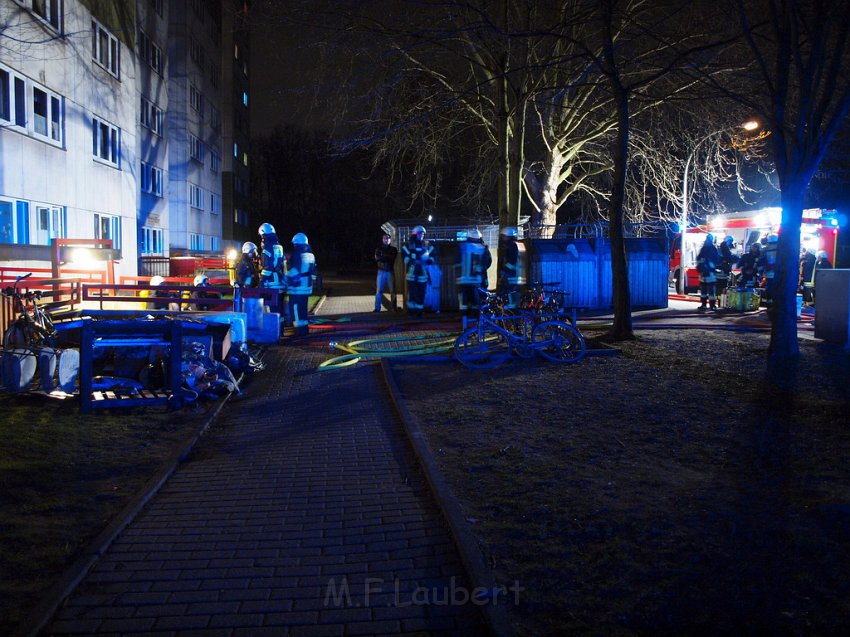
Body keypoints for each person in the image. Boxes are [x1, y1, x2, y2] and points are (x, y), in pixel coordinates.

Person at [285, 232, 317, 336]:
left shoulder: (297, 253)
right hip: (307, 287)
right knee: (303, 308)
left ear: (296, 243)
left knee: (296, 309)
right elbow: (314, 272)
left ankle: (299, 331)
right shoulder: (311, 254)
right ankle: (304, 329)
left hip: (297, 288)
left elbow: (295, 270)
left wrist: (285, 279)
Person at [456, 228, 492, 314]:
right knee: (476, 301)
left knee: (464, 302)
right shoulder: (482, 248)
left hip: (463, 280)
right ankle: (476, 320)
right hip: (476, 280)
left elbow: (457, 262)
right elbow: (487, 263)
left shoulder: (462, 247)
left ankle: (464, 320)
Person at [401, 225, 433, 318]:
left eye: (423, 233)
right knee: (412, 293)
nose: (422, 235)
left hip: (423, 275)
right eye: (420, 233)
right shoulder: (409, 244)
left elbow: (433, 255)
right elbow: (404, 256)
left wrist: (428, 260)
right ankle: (411, 311)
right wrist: (412, 261)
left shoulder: (426, 244)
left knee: (421, 293)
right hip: (411, 274)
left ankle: (419, 311)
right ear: (415, 234)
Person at [258, 222, 287, 317]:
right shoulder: (279, 246)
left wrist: (262, 280)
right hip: (280, 281)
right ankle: (281, 329)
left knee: (272, 311)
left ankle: (275, 330)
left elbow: (268, 267)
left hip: (271, 283)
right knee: (280, 310)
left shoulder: (267, 248)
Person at [497, 227, 526, 308]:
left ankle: (511, 313)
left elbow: (511, 262)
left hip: (512, 276)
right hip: (518, 276)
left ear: (508, 236)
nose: (503, 238)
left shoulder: (512, 247)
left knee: (510, 295)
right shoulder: (519, 245)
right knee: (514, 295)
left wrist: (504, 271)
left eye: (504, 236)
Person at [373, 233, 399, 312]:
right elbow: (377, 258)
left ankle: (394, 307)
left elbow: (391, 258)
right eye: (384, 238)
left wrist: (383, 256)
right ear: (382, 239)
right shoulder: (378, 249)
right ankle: (377, 308)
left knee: (393, 291)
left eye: (388, 238)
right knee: (379, 291)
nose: (386, 239)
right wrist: (386, 256)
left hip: (390, 272)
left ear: (390, 240)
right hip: (381, 271)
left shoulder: (393, 249)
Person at [696, 233, 720, 311]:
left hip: (710, 273)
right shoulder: (704, 248)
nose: (706, 240)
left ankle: (712, 305)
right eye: (706, 239)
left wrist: (708, 264)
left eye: (708, 239)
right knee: (703, 291)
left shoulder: (713, 249)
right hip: (703, 273)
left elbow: (716, 259)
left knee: (711, 291)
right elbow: (698, 258)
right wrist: (701, 264)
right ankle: (703, 304)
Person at [760, 233, 779, 311]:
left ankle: (769, 306)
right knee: (777, 289)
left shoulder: (765, 249)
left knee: (769, 289)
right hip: (778, 273)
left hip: (769, 273)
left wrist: (761, 272)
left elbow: (761, 261)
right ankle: (776, 305)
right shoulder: (780, 248)